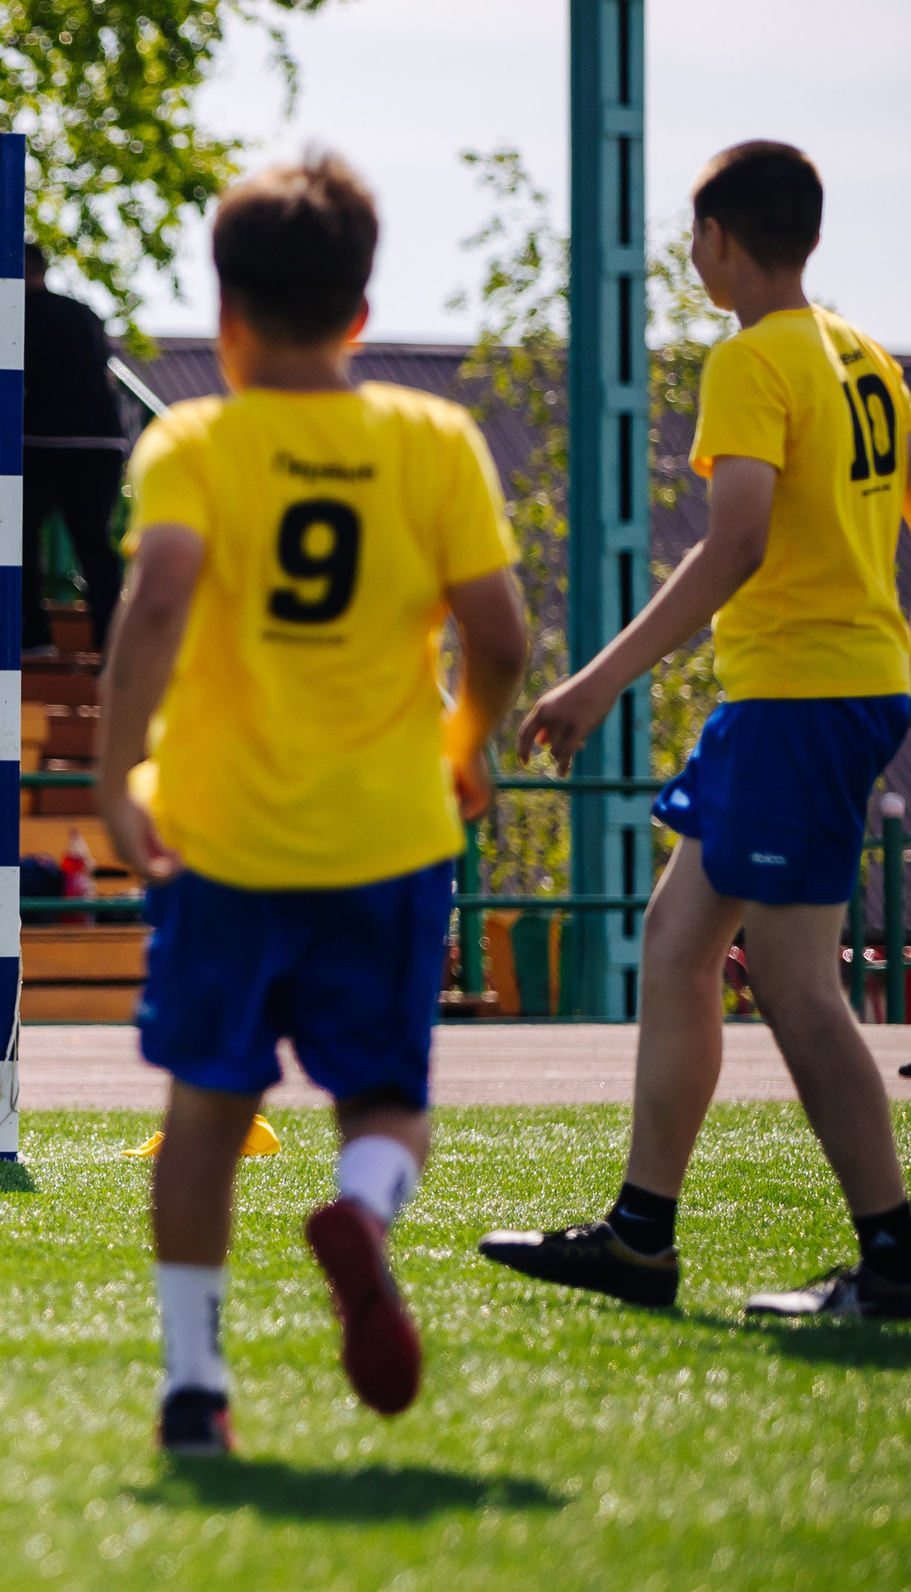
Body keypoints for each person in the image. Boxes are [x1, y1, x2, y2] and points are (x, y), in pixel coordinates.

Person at [96, 153, 528, 1456]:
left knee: (206, 1116)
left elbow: (156, 602)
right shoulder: (432, 440)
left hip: (223, 838)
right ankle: (365, 1207)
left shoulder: (193, 440)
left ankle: (192, 1384)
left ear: (225, 316)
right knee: (388, 1097)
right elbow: (501, 634)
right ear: (360, 311)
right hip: (390, 835)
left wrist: (116, 775)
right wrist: (467, 737)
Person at [481, 142, 911, 1322]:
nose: (688, 250)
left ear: (720, 239)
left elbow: (738, 543)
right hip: (805, 691)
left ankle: (893, 1252)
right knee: (676, 943)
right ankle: (638, 1237)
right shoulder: (867, 359)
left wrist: (599, 680)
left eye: (693, 231)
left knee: (789, 980)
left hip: (800, 699)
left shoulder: (753, 357)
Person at [21, 246, 128, 652]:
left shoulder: (18, 313)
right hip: (101, 440)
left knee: (21, 538)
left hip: (44, 439)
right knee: (94, 543)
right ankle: (111, 643)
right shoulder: (83, 312)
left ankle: (32, 637)